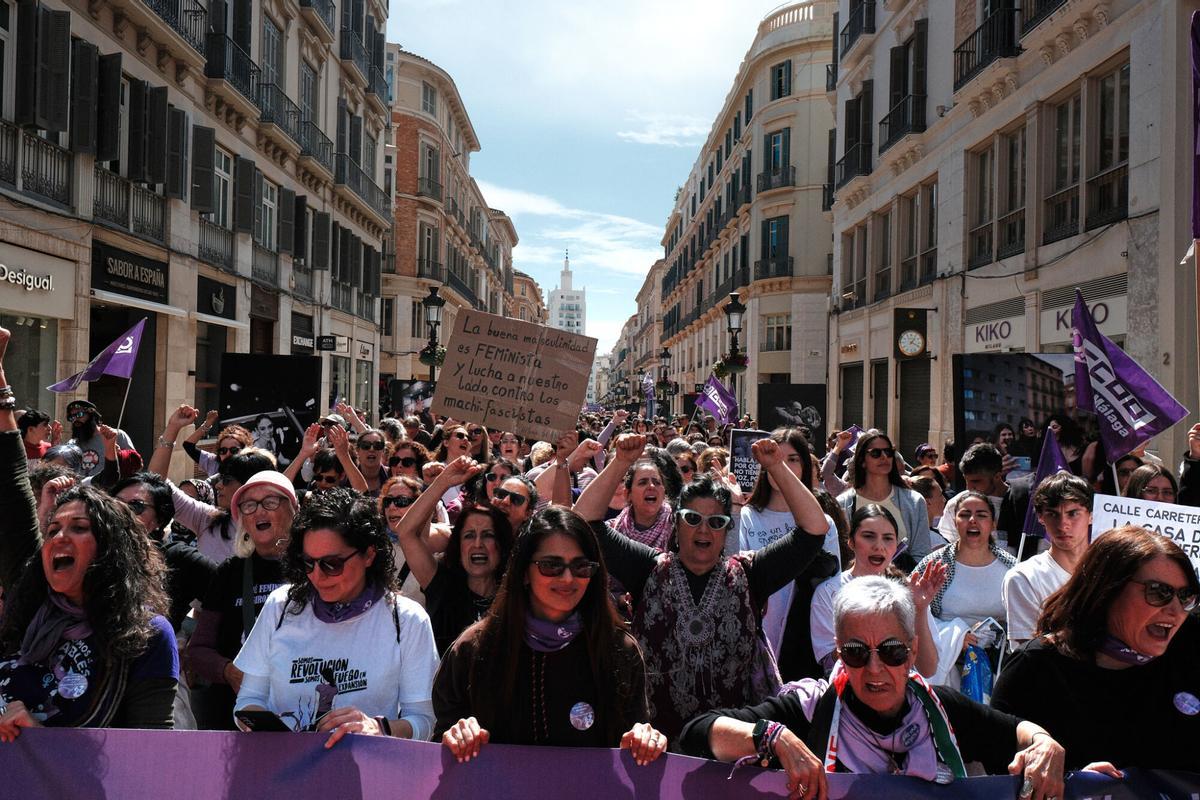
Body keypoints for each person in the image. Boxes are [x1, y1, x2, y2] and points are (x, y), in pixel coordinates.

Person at [678, 578, 1068, 799]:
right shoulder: (811, 709)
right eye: (856, 652)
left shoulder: (940, 709)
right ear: (839, 653)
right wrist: (774, 738)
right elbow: (697, 733)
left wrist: (1045, 743)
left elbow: (1014, 732)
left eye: (892, 651)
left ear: (912, 650)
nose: (874, 668)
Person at [574, 434, 832, 738]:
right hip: (654, 742)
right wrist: (621, 462)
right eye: (693, 518)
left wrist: (776, 466)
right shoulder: (648, 569)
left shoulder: (750, 575)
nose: (704, 530)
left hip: (730, 746)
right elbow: (584, 522)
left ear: (727, 529)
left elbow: (815, 530)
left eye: (716, 522)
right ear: (676, 523)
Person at [0, 324, 177, 737]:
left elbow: (151, 758)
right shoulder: (31, 600)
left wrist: (42, 740)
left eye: (79, 527)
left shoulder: (147, 634)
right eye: (54, 529)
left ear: (109, 549)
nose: (59, 537)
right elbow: (10, 487)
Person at [435, 507, 667, 765]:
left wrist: (643, 741)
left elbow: (633, 741)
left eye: (581, 567)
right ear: (524, 571)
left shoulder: (618, 650)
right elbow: (440, 749)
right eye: (551, 566)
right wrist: (457, 737)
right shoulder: (474, 649)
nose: (568, 578)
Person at [233, 489, 438, 745]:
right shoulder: (280, 606)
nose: (317, 576)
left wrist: (379, 728)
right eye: (308, 563)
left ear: (369, 555)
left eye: (332, 564)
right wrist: (266, 728)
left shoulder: (406, 620)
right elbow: (248, 701)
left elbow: (424, 722)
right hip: (286, 765)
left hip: (368, 766)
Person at [992, 525, 1200, 771]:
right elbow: (1001, 773)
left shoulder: (1189, 651)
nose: (1175, 610)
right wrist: (1074, 784)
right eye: (1158, 592)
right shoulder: (1035, 670)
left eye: (1185, 596)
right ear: (1108, 589)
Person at [183, 471, 298, 729]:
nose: (259, 511)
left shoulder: (316, 566)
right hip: (237, 715)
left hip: (302, 711)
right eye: (249, 505)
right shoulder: (229, 572)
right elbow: (198, 650)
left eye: (270, 502)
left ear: (294, 510)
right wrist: (229, 672)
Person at [740, 428, 842, 666]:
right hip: (757, 638)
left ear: (805, 466)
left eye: (793, 459)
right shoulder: (746, 517)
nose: (782, 466)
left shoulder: (824, 523)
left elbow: (833, 587)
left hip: (804, 642)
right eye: (775, 458)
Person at [394, 457, 515, 654]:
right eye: (469, 536)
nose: (478, 544)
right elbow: (406, 532)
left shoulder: (514, 595)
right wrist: (441, 482)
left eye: (488, 535)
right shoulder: (442, 585)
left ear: (501, 545)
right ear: (458, 545)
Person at [810, 506, 944, 678]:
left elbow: (928, 669)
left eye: (888, 538)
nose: (879, 546)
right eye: (868, 536)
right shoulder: (829, 592)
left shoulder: (909, 592)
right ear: (851, 542)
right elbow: (830, 665)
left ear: (896, 546)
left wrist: (919, 609)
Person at [914, 491, 1016, 688]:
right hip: (946, 671)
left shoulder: (1012, 568)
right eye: (965, 514)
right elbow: (911, 610)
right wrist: (957, 637)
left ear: (993, 524)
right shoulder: (934, 564)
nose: (972, 520)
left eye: (981, 515)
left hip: (999, 670)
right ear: (955, 522)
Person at [110, 473, 217, 633]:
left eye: (135, 506)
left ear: (159, 520)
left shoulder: (178, 559)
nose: (121, 512)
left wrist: (201, 643)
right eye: (115, 504)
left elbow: (232, 599)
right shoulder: (91, 552)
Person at [1002, 474, 1093, 649]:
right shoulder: (1024, 577)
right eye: (1052, 514)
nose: (1063, 524)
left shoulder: (1109, 570)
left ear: (1091, 516)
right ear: (1040, 517)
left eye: (1073, 513)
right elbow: (1029, 652)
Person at [835, 429, 930, 564]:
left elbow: (922, 554)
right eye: (876, 453)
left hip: (904, 576)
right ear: (862, 461)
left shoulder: (914, 501)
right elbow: (840, 555)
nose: (884, 457)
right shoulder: (843, 503)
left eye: (889, 452)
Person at [65, 400, 134, 478]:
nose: (75, 420)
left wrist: (122, 455)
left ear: (92, 415)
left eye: (79, 414)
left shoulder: (115, 435)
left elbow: (136, 464)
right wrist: (56, 445)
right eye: (71, 417)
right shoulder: (72, 444)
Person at [180, 412, 252, 477]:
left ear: (245, 450)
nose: (228, 454)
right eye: (223, 450)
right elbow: (188, 445)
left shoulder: (252, 469)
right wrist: (207, 424)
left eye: (234, 450)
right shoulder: (213, 463)